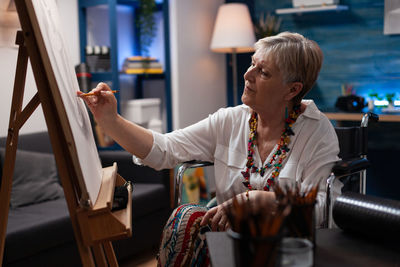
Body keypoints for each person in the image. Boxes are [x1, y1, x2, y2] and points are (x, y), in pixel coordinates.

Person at [78, 31, 339, 266]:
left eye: (264, 72)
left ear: (292, 90)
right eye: (252, 64)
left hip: (285, 244)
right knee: (187, 217)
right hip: (228, 235)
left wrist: (258, 199)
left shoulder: (317, 132)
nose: (247, 75)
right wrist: (110, 119)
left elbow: (324, 209)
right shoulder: (230, 120)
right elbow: (165, 150)